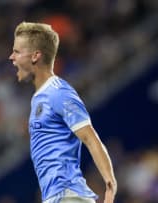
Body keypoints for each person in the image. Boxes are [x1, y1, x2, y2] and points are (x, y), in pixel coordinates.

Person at [9, 22, 117, 203]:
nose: (11, 57)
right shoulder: (38, 98)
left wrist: (109, 182)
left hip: (68, 195)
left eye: (17, 51)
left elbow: (90, 137)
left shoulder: (58, 92)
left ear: (35, 56)